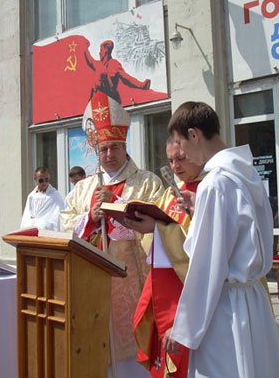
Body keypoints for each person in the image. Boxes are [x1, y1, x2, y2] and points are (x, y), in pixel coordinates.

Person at [163, 101, 279, 378]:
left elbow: (208, 265)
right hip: (254, 300)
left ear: (195, 134)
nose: (181, 152)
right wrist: (201, 209)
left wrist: (184, 328)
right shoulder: (245, 172)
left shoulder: (216, 182)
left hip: (228, 307)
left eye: (181, 143)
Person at [61, 91, 164, 378]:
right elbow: (65, 223)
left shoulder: (147, 182)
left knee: (132, 356)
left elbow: (160, 227)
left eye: (115, 148)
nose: (109, 154)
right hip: (90, 283)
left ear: (125, 146)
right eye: (104, 149)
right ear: (97, 151)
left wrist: (117, 207)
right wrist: (89, 219)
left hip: (132, 283)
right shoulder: (83, 188)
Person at [125, 137, 204, 378]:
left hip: (188, 291)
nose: (175, 167)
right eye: (171, 160)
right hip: (162, 287)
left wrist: (157, 229)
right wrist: (145, 226)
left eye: (180, 158)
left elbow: (202, 245)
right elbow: (153, 238)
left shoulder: (209, 189)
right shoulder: (170, 193)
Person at [84, 40, 151, 104]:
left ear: (106, 50)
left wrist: (141, 85)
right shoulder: (98, 64)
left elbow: (127, 78)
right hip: (97, 100)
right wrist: (84, 47)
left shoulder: (114, 64)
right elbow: (90, 61)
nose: (99, 53)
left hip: (111, 100)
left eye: (101, 50)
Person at [20, 167, 65, 232]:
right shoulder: (31, 196)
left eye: (46, 180)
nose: (44, 183)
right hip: (31, 231)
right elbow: (27, 215)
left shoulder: (55, 195)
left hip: (47, 231)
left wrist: (44, 224)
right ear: (35, 179)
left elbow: (57, 215)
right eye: (41, 180)